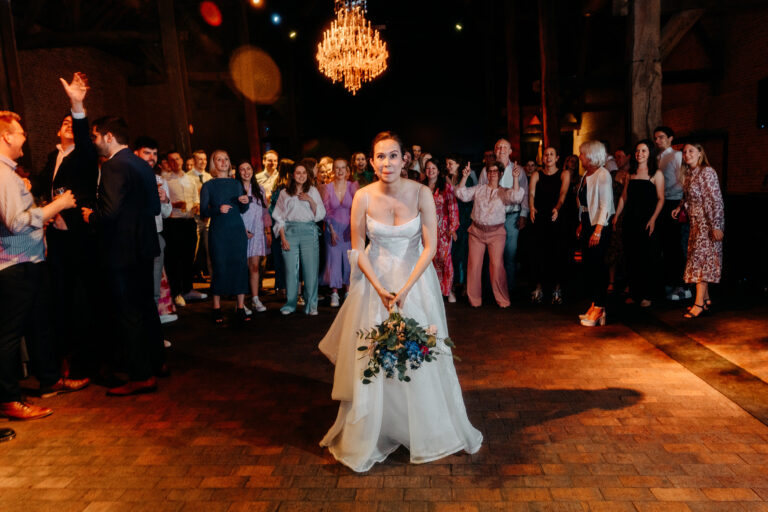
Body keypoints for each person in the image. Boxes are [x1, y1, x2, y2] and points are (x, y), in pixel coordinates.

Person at [318, 131, 482, 472]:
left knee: (419, 354)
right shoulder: (362, 196)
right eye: (380, 156)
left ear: (404, 159)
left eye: (393, 155)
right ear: (372, 160)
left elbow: (430, 246)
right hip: (375, 284)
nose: (386, 162)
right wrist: (379, 289)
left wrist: (406, 288)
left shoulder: (421, 192)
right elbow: (357, 247)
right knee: (373, 354)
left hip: (415, 282)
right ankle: (375, 428)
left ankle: (424, 426)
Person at [1, 110, 89, 420]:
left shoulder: (11, 174)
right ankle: (9, 399)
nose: (24, 136)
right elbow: (15, 222)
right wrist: (58, 205)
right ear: (5, 137)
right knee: (10, 335)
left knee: (40, 326)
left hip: (31, 260)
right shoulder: (2, 175)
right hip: (16, 263)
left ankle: (50, 381)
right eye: (20, 132)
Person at [82, 115, 163, 395]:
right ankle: (157, 363)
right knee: (147, 308)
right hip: (144, 247)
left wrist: (91, 216)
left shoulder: (114, 166)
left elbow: (110, 212)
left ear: (108, 137)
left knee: (129, 314)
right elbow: (154, 207)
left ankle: (141, 376)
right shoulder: (141, 163)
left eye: (94, 137)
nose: (94, 142)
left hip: (122, 251)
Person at [33, 73, 100, 378]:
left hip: (80, 237)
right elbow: (44, 188)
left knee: (82, 299)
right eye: (65, 125)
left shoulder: (84, 155)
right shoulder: (52, 157)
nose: (70, 128)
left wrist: (77, 105)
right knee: (59, 297)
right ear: (57, 132)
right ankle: (64, 358)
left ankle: (87, 360)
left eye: (73, 125)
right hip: (55, 237)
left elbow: (85, 137)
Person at [456, 161, 524, 308]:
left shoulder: (504, 192)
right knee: (474, 265)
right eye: (490, 171)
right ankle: (474, 300)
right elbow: (461, 194)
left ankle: (502, 299)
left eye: (495, 171)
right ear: (487, 174)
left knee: (497, 266)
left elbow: (516, 197)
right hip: (476, 232)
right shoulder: (479, 189)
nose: (492, 173)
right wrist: (464, 177)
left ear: (500, 174)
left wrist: (515, 178)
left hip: (496, 233)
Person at [672, 143, 725, 319]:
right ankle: (707, 299)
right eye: (685, 152)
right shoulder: (689, 174)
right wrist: (680, 207)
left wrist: (716, 225)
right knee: (698, 260)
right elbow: (688, 195)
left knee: (701, 263)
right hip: (694, 223)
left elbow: (715, 200)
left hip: (707, 223)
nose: (687, 154)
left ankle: (699, 303)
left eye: (691, 151)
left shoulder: (707, 172)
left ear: (700, 153)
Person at [200, 150, 251, 324]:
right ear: (214, 163)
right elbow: (203, 212)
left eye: (226, 159)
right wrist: (217, 209)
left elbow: (242, 209)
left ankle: (240, 307)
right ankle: (216, 307)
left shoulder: (237, 184)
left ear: (230, 163)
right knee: (219, 266)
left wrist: (245, 202)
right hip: (219, 231)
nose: (223, 162)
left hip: (237, 229)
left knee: (240, 266)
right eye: (219, 159)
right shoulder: (208, 185)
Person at [272, 159, 326, 315]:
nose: (301, 176)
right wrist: (283, 238)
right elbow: (278, 217)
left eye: (304, 173)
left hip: (309, 232)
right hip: (289, 233)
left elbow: (321, 214)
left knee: (311, 271)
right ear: (292, 175)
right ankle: (290, 304)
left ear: (307, 175)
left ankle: (311, 305)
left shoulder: (313, 191)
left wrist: (310, 200)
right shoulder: (284, 193)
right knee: (290, 271)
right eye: (298, 173)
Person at [614, 140, 664, 307]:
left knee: (647, 257)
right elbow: (624, 197)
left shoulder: (656, 174)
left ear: (650, 153)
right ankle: (634, 293)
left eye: (643, 150)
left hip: (647, 221)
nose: (639, 153)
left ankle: (647, 295)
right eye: (637, 150)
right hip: (631, 220)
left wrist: (653, 219)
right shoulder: (631, 173)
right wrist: (616, 215)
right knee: (631, 256)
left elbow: (661, 199)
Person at [133, 136, 175, 324]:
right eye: (147, 153)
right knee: (135, 287)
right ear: (136, 154)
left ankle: (153, 332)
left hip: (155, 236)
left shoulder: (159, 180)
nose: (151, 157)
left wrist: (165, 200)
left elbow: (166, 213)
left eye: (155, 154)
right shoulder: (127, 177)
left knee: (154, 288)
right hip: (133, 238)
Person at [478, 139, 529, 294]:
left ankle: (509, 289)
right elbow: (480, 193)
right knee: (491, 256)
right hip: (491, 218)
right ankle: (491, 290)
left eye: (504, 147)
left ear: (510, 151)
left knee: (510, 254)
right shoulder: (486, 170)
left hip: (511, 216)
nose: (501, 150)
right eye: (498, 147)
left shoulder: (518, 170)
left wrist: (523, 214)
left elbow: (525, 192)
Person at [576, 141, 615, 327]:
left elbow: (605, 205)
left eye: (582, 154)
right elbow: (585, 203)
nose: (580, 157)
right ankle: (595, 304)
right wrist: (581, 224)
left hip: (599, 225)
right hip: (587, 223)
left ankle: (600, 307)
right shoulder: (586, 174)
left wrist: (598, 230)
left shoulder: (603, 174)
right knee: (589, 266)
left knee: (598, 266)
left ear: (591, 155)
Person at [528, 146, 570, 305]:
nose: (548, 157)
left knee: (557, 252)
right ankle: (538, 287)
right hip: (539, 217)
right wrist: (531, 206)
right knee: (539, 253)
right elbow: (531, 193)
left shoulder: (564, 174)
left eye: (552, 154)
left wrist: (557, 208)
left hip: (556, 216)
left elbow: (563, 193)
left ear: (557, 157)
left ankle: (557, 288)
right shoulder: (536, 174)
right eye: (546, 155)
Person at [163, 150, 204, 307]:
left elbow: (195, 198)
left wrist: (197, 205)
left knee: (188, 257)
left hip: (189, 221)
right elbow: (161, 203)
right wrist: (174, 204)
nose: (175, 162)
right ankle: (177, 292)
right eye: (171, 160)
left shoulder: (190, 179)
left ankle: (188, 289)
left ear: (181, 160)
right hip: (173, 223)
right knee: (174, 259)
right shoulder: (165, 180)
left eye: (177, 159)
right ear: (168, 163)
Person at [654, 126, 689, 301]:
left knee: (676, 245)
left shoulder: (676, 155)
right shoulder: (658, 157)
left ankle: (682, 286)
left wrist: (681, 203)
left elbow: (683, 179)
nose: (658, 141)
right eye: (656, 138)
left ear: (671, 138)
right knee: (666, 246)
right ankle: (672, 281)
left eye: (661, 137)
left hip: (675, 201)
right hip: (663, 202)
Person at [321, 158, 358, 307]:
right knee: (334, 260)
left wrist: (353, 227)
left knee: (349, 260)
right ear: (333, 170)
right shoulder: (327, 188)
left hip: (349, 228)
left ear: (347, 171)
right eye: (337, 168)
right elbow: (325, 210)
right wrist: (330, 229)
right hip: (333, 228)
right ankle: (335, 293)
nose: (340, 171)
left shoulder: (353, 186)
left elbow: (358, 208)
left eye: (343, 168)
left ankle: (348, 291)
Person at [236, 159, 272, 313]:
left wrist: (268, 231)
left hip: (257, 232)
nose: (246, 172)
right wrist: (241, 230)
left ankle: (255, 299)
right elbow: (234, 213)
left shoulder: (260, 189)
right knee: (242, 268)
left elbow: (265, 212)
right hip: (241, 232)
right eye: (242, 169)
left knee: (255, 267)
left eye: (248, 168)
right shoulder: (235, 189)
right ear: (238, 172)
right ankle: (240, 303)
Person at [423, 158, 459, 301]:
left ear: (438, 171)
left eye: (433, 168)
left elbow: (452, 207)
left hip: (443, 229)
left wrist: (453, 227)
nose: (430, 171)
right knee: (429, 259)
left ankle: (448, 290)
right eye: (428, 168)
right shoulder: (422, 187)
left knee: (444, 259)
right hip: (425, 229)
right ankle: (432, 290)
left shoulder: (445, 187)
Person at [446, 155, 475, 298]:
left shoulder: (467, 179)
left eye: (451, 163)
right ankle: (455, 283)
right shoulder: (445, 179)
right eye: (447, 164)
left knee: (464, 253)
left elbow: (468, 199)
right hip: (450, 220)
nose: (448, 166)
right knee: (453, 254)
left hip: (463, 219)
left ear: (458, 164)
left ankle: (465, 285)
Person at [187, 149, 212, 281]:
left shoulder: (210, 177)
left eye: (205, 159)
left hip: (208, 219)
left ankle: (215, 282)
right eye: (199, 159)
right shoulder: (187, 177)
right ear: (194, 161)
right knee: (193, 251)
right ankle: (189, 280)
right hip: (195, 218)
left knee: (211, 251)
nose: (202, 162)